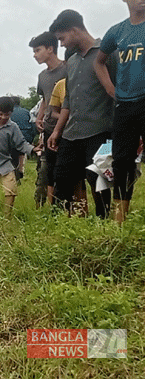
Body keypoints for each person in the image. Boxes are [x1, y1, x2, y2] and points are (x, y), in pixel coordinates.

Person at [47, 9, 115, 219]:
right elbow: (68, 99)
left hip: (99, 129)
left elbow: (116, 92)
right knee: (62, 178)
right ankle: (58, 224)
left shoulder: (107, 54)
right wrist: (57, 131)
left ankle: (102, 222)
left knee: (97, 179)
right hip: (72, 132)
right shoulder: (73, 61)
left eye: (62, 38)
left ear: (74, 31)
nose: (62, 44)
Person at [95, 0, 145, 223]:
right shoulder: (117, 31)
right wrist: (109, 87)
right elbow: (99, 62)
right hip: (124, 105)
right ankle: (119, 219)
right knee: (122, 161)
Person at [30, 31, 67, 207]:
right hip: (49, 127)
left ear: (50, 49)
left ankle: (70, 207)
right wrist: (39, 117)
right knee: (47, 170)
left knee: (66, 170)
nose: (34, 55)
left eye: (38, 50)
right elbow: (45, 99)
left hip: (67, 128)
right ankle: (53, 209)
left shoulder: (68, 69)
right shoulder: (42, 76)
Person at [9, 96, 33, 181]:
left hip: (12, 139)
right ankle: (20, 170)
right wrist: (31, 138)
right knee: (21, 153)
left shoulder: (8, 113)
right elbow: (32, 125)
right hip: (25, 137)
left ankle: (15, 174)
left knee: (13, 155)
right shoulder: (26, 112)